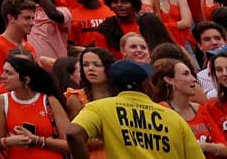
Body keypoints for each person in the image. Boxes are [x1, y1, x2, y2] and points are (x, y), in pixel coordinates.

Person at [67, 59, 203, 159]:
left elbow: (74, 133)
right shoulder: (173, 117)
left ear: (112, 86)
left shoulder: (99, 108)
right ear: (145, 85)